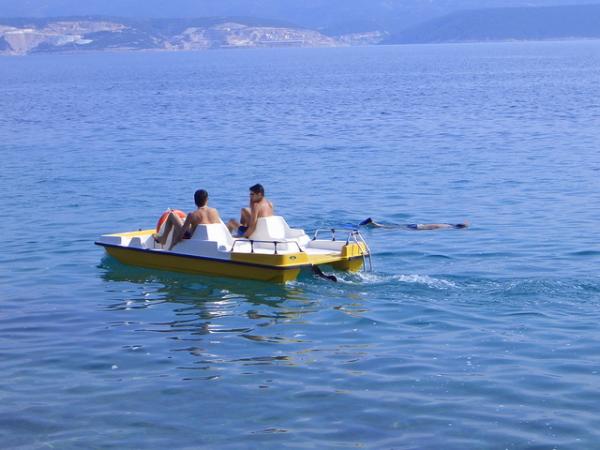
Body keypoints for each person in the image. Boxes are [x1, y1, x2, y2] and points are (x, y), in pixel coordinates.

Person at [154, 189, 221, 250]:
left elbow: (181, 235)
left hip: (192, 238)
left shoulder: (192, 215)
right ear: (207, 199)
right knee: (181, 224)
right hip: (211, 239)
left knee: (172, 215)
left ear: (195, 201)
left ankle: (163, 239)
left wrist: (174, 244)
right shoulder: (215, 211)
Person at [359, 217, 469, 230]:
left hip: (417, 225)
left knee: (394, 227)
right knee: (392, 228)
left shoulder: (447, 224)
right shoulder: (448, 227)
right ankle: (374, 224)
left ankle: (374, 224)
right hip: (417, 228)